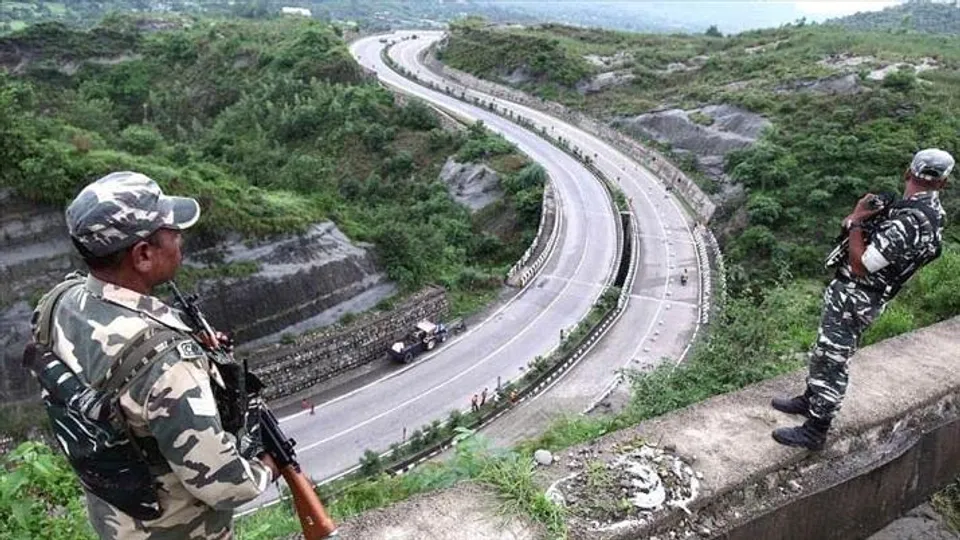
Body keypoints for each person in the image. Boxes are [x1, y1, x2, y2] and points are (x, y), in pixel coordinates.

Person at [31, 171, 278, 539]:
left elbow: (109, 374)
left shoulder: (57, 303)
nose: (180, 240)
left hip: (116, 521)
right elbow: (225, 485)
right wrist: (267, 466)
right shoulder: (168, 365)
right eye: (172, 233)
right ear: (143, 254)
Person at [771, 149, 952, 451]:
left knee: (833, 359)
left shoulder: (911, 220)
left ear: (908, 173)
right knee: (824, 350)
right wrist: (862, 220)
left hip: (859, 295)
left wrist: (856, 222)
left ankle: (816, 429)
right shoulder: (927, 214)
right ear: (943, 183)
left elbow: (862, 264)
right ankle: (810, 399)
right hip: (858, 294)